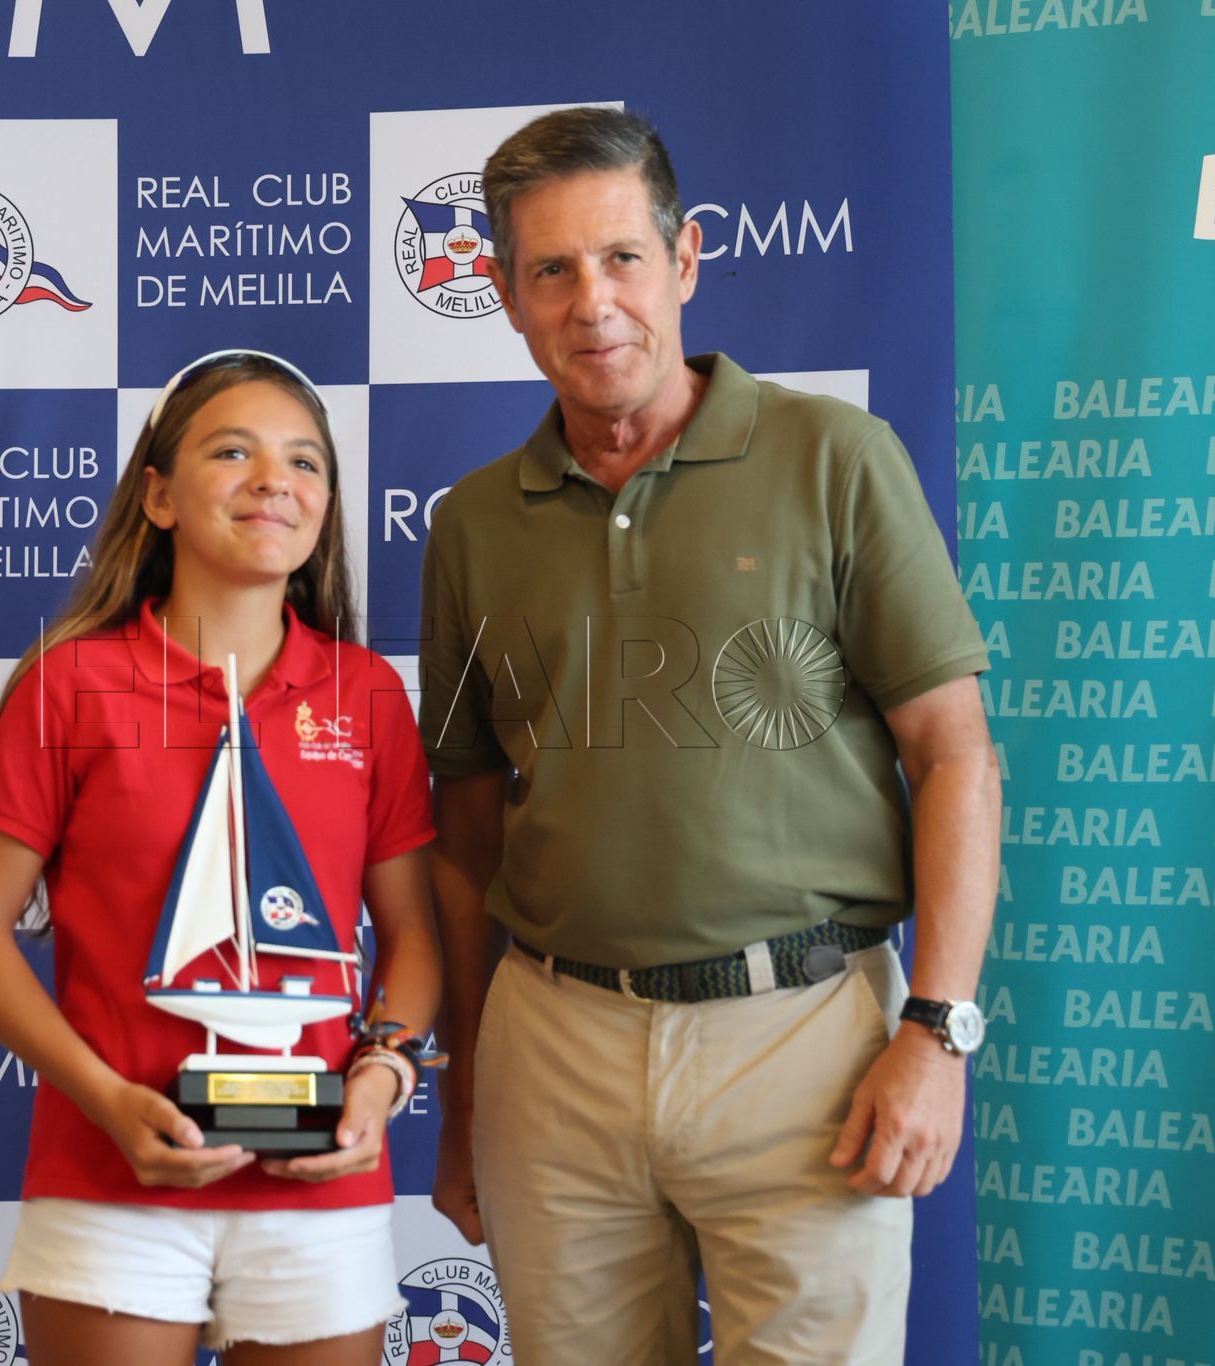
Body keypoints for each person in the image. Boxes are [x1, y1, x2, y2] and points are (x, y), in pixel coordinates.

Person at [420, 108, 1000, 1365]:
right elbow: (461, 839)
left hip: (804, 1038)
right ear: (504, 296)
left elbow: (953, 753)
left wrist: (937, 1027)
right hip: (551, 1050)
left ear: (683, 262)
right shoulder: (470, 525)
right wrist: (462, 1093)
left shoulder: (834, 457)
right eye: (550, 270)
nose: (592, 302)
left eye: (622, 257)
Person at [0, 350, 441, 1366]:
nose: (274, 481)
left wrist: (382, 1076)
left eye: (304, 461)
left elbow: (413, 939)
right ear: (159, 496)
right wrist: (109, 1102)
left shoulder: (368, 694)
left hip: (319, 1188)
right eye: (233, 452)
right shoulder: (69, 684)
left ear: (325, 505)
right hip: (111, 1175)